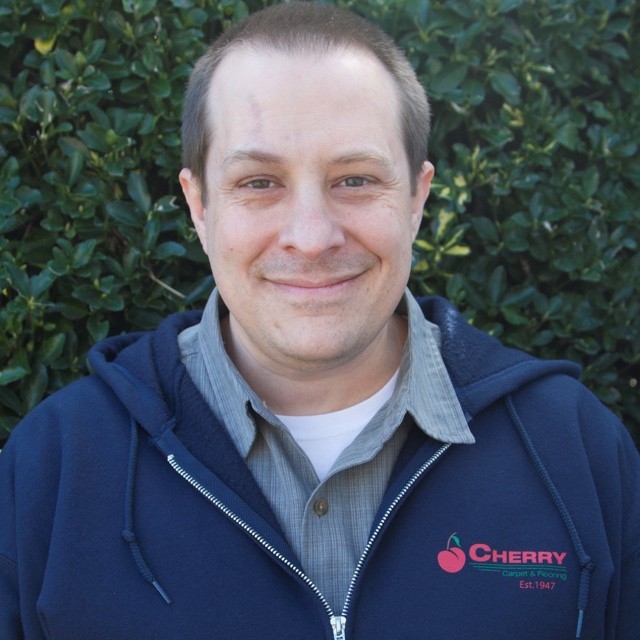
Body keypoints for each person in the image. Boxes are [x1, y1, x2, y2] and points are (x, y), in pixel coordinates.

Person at [1, 2, 638, 638]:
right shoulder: (52, 469)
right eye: (258, 183)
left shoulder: (576, 450)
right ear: (200, 207)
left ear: (416, 199)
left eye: (355, 179)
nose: (311, 238)